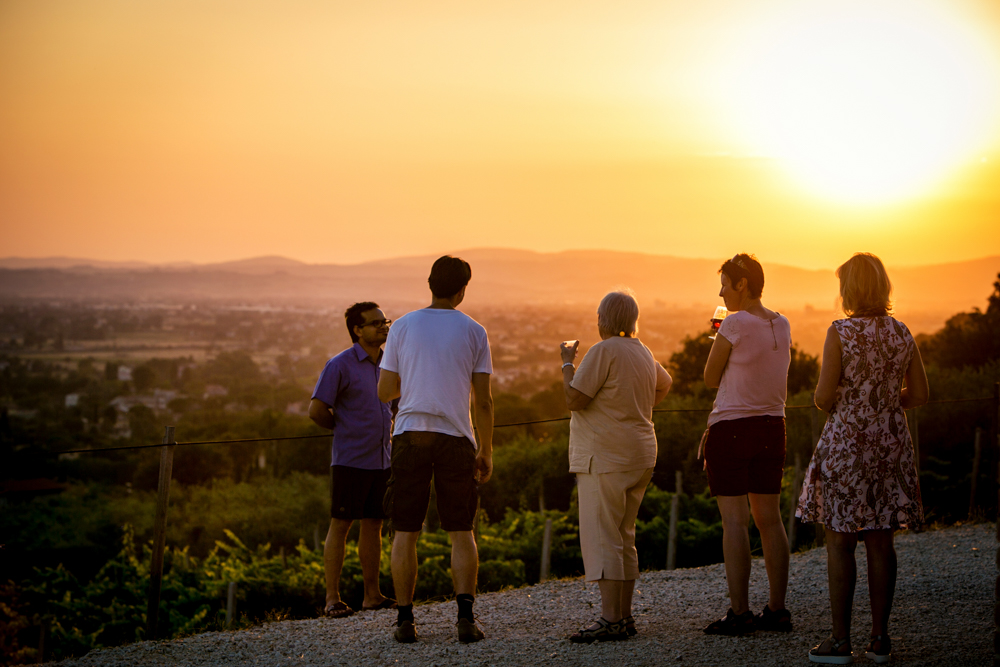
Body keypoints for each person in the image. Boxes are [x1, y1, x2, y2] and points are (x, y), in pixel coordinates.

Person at [797, 253, 928, 665]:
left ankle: (839, 641)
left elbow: (821, 397)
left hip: (847, 448)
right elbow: (920, 395)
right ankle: (879, 639)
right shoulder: (902, 332)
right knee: (881, 540)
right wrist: (886, 405)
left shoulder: (840, 333)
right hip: (890, 445)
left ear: (848, 290)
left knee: (839, 540)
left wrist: (850, 405)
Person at [376, 255, 494, 644]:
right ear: (462, 290)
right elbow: (484, 401)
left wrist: (414, 377)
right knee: (462, 531)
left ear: (429, 284)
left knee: (405, 532)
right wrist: (487, 450)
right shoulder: (475, 331)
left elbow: (385, 392)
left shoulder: (403, 327)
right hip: (456, 437)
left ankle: (405, 621)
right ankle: (464, 618)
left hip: (410, 433)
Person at [560, 289, 672, 643]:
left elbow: (574, 399)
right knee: (624, 536)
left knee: (603, 536)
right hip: (640, 453)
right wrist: (633, 407)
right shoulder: (643, 351)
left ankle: (610, 619)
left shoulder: (603, 350)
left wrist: (566, 363)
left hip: (605, 455)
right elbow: (664, 384)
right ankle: (623, 616)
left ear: (604, 319)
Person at [701, 253, 793, 636]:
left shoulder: (734, 323)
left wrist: (719, 332)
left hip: (733, 428)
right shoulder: (782, 323)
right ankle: (776, 609)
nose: (721, 290)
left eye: (725, 283)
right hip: (774, 427)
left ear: (742, 284)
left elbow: (709, 377)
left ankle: (739, 613)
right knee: (770, 521)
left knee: (735, 523)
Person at [308, 302, 397, 618]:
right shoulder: (340, 365)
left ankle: (372, 595)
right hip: (349, 460)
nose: (383, 326)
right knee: (341, 525)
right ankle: (332, 599)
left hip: (382, 461)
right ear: (357, 330)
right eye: (375, 323)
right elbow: (317, 410)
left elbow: (395, 404)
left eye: (384, 321)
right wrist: (343, 428)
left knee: (373, 525)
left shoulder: (388, 364)